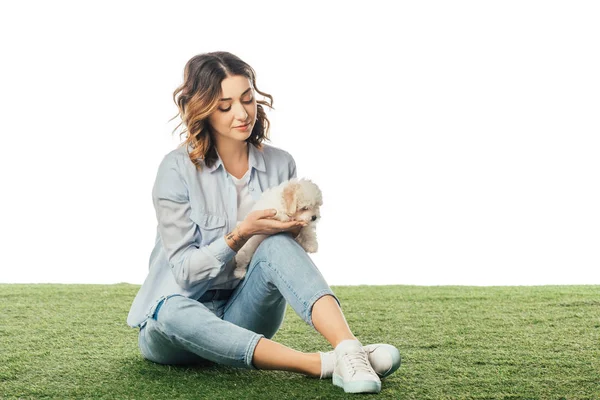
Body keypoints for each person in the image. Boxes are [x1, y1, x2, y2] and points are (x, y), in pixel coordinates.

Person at [126, 51, 400, 394]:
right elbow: (183, 271)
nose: (242, 114)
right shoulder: (176, 170)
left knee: (277, 244)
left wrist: (293, 231)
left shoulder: (280, 164)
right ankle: (321, 364)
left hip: (243, 313)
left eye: (247, 99)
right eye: (225, 106)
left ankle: (348, 349)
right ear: (203, 109)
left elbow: (285, 259)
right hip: (179, 326)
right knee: (168, 311)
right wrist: (242, 233)